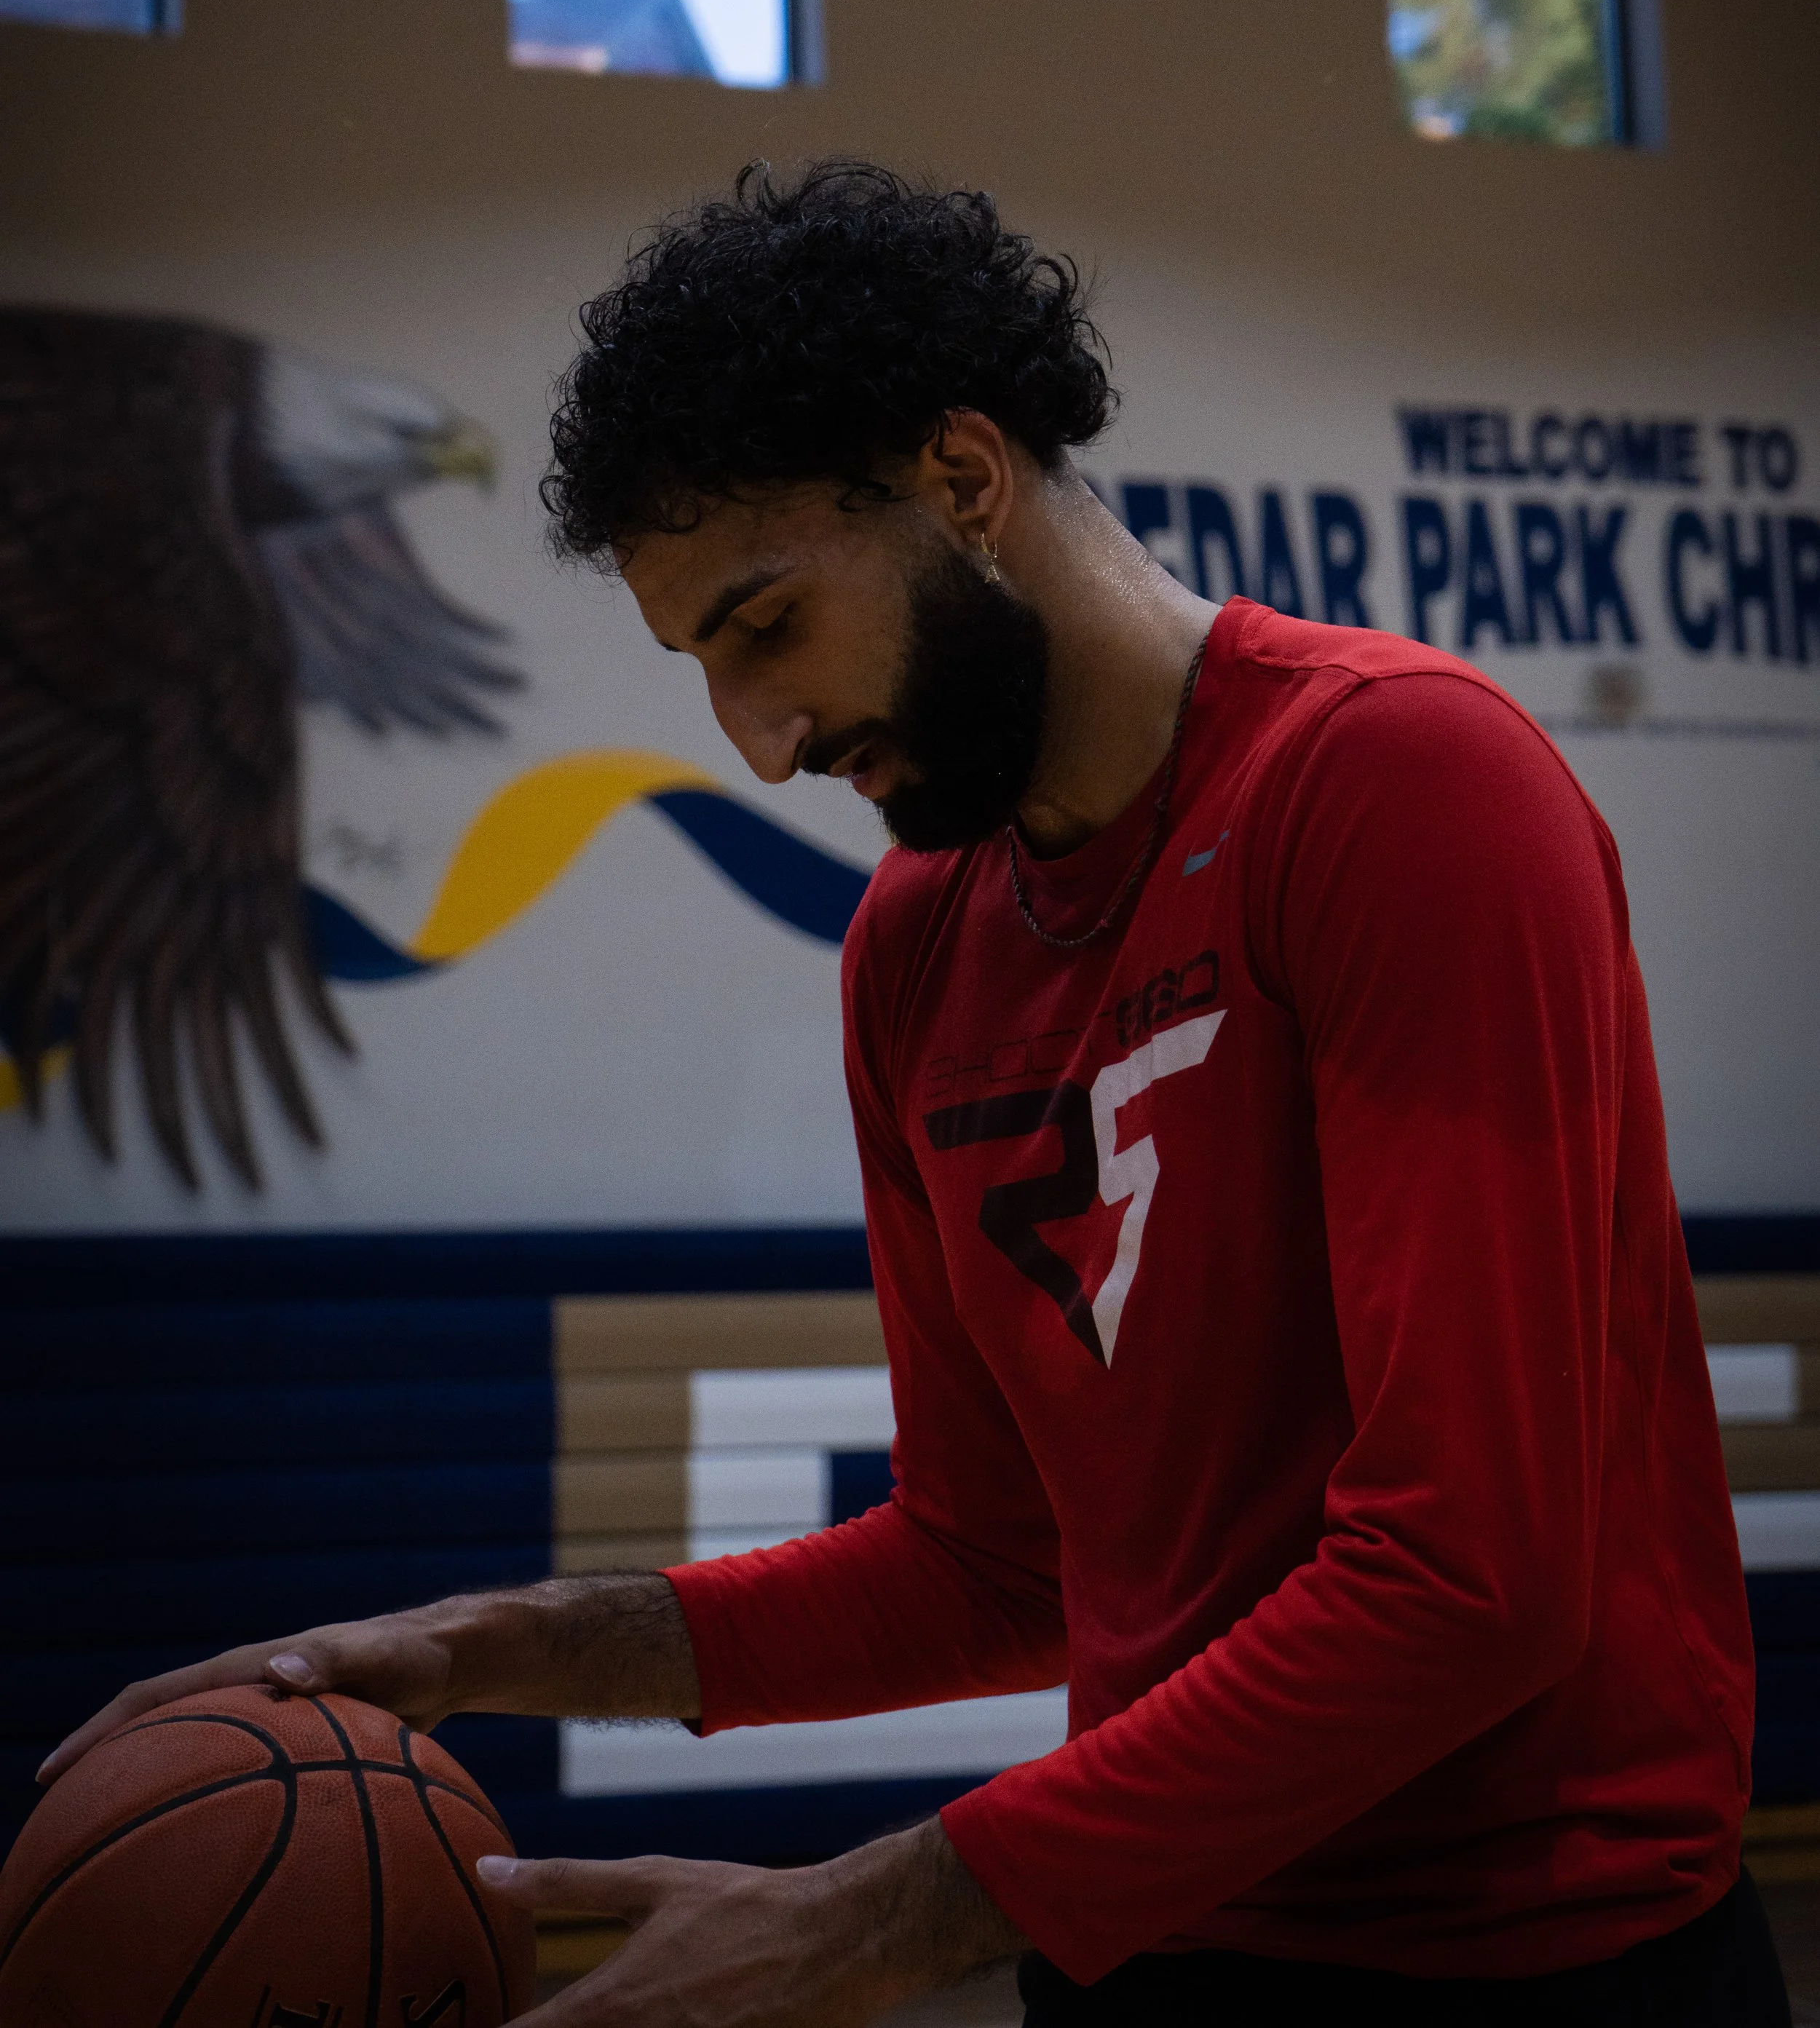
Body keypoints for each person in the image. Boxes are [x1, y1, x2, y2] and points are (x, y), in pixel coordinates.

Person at [46, 161, 1781, 2027]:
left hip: (1534, 1961)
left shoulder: (1393, 788)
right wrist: (490, 1647)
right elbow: (995, 1556)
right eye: (704, 665)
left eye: (767, 623)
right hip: (1141, 1948)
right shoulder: (916, 944)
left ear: (963, 481)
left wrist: (872, 1915)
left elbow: (1469, 1577)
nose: (761, 742)